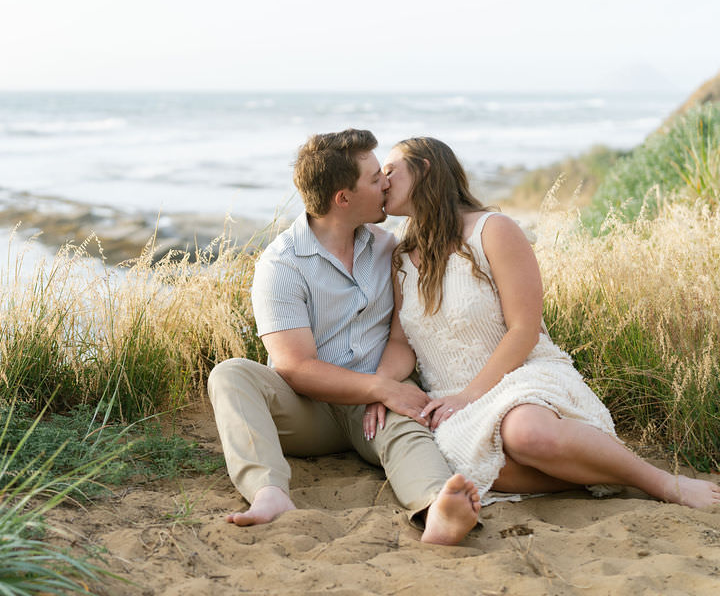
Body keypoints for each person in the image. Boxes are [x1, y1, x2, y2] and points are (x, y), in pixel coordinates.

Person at [363, 136, 720, 509]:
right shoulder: (400, 258)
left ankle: (661, 482)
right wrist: (380, 388)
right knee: (476, 469)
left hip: (520, 376)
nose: (383, 182)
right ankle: (587, 475)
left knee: (525, 434)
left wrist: (470, 395)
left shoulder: (492, 230)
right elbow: (401, 343)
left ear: (426, 168)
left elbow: (524, 329)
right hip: (450, 398)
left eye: (390, 171)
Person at [208, 129, 481, 545]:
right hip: (308, 411)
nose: (385, 183)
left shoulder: (391, 249)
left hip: (376, 408)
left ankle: (435, 508)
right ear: (343, 199)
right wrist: (378, 387)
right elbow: (295, 367)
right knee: (230, 374)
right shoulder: (281, 265)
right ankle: (269, 493)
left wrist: (384, 389)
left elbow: (400, 340)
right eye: (375, 179)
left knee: (407, 428)